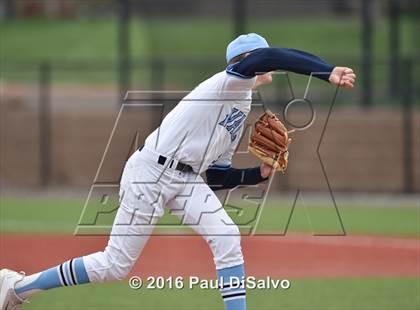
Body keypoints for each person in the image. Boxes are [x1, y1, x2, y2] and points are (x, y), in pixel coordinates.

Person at [0, 33, 355, 310]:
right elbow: (267, 57)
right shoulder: (227, 83)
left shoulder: (242, 103)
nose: (270, 65)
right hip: (149, 174)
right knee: (114, 266)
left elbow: (216, 176)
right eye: (261, 57)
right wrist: (326, 71)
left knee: (228, 236)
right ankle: (17, 287)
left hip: (186, 180)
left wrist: (257, 174)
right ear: (244, 62)